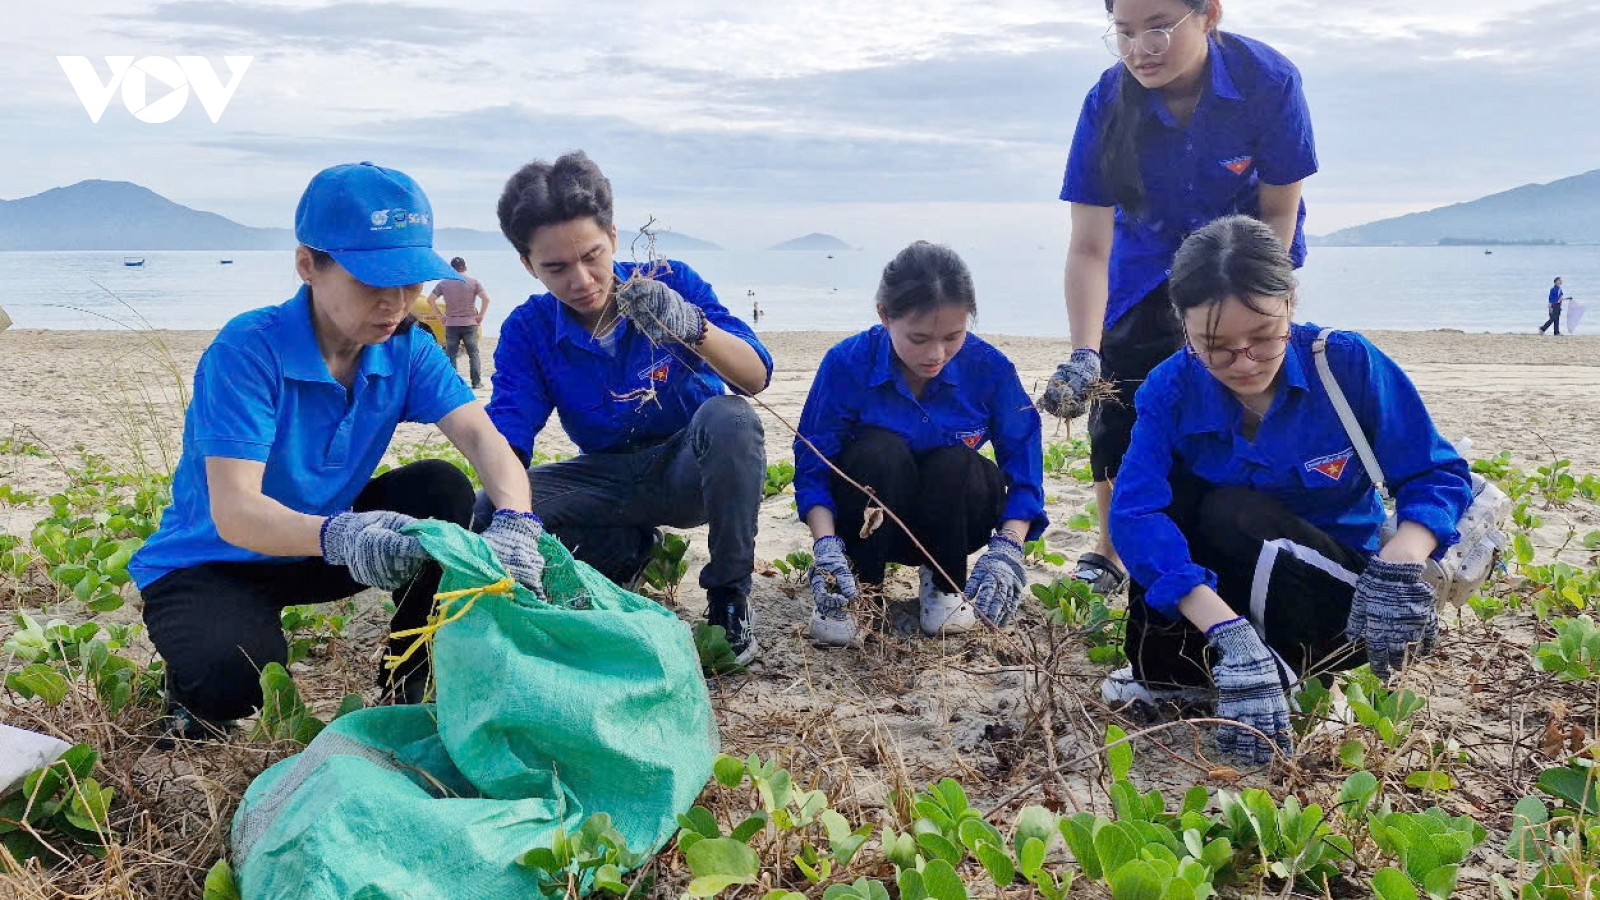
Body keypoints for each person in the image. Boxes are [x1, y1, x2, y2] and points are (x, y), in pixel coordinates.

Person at [130, 162, 544, 739]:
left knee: (442, 488)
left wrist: (518, 521)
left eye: (411, 282)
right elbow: (235, 511)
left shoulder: (406, 349)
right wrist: (343, 535)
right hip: (214, 559)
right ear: (308, 265)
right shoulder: (249, 349)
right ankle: (194, 677)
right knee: (233, 685)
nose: (397, 302)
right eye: (375, 281)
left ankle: (407, 674)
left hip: (315, 547)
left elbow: (483, 438)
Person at [1105, 216, 1472, 763]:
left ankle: (1288, 671)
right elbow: (1135, 512)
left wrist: (1402, 560)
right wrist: (1226, 630)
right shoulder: (1170, 387)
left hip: (1343, 595)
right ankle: (1228, 662)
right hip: (1231, 595)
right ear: (1183, 325)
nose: (1244, 362)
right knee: (1175, 516)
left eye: (1263, 337)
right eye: (1216, 347)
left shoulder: (1344, 363)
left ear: (1291, 302)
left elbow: (1433, 472)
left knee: (1231, 510)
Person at [1037, 0, 1318, 600]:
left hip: (1239, 260)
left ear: (1209, 14)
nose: (1141, 48)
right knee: (1119, 407)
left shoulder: (1268, 81)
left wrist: (1264, 311)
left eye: (1160, 26)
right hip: (1140, 269)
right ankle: (1112, 548)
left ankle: (1240, 527)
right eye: (1125, 32)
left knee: (1240, 388)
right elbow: (1089, 247)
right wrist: (1085, 353)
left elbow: (1278, 215)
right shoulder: (1105, 103)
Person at [485, 151, 772, 664]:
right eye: (556, 267)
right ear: (528, 265)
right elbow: (508, 437)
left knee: (730, 418)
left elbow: (754, 377)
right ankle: (625, 553)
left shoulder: (672, 278)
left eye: (592, 255)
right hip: (609, 479)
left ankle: (730, 596)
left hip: (692, 468)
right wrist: (508, 516)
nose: (582, 280)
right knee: (490, 506)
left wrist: (693, 328)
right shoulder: (527, 330)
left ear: (614, 238)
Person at [794, 242, 1046, 645]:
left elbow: (1025, 467)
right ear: (884, 315)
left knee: (956, 462)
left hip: (953, 523)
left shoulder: (991, 369)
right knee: (879, 451)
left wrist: (1009, 546)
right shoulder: (845, 363)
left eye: (953, 336)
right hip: (867, 521)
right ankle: (860, 590)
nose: (936, 354)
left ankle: (944, 585)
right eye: (919, 337)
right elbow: (813, 467)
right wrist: (825, 546)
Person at [429, 257, 492, 387]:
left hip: (451, 323)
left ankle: (453, 383)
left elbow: (430, 299)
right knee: (473, 353)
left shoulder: (444, 283)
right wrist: (481, 315)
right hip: (470, 323)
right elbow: (486, 298)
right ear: (465, 267)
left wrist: (440, 316)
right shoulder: (474, 282)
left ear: (451, 269)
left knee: (451, 353)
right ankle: (476, 382)